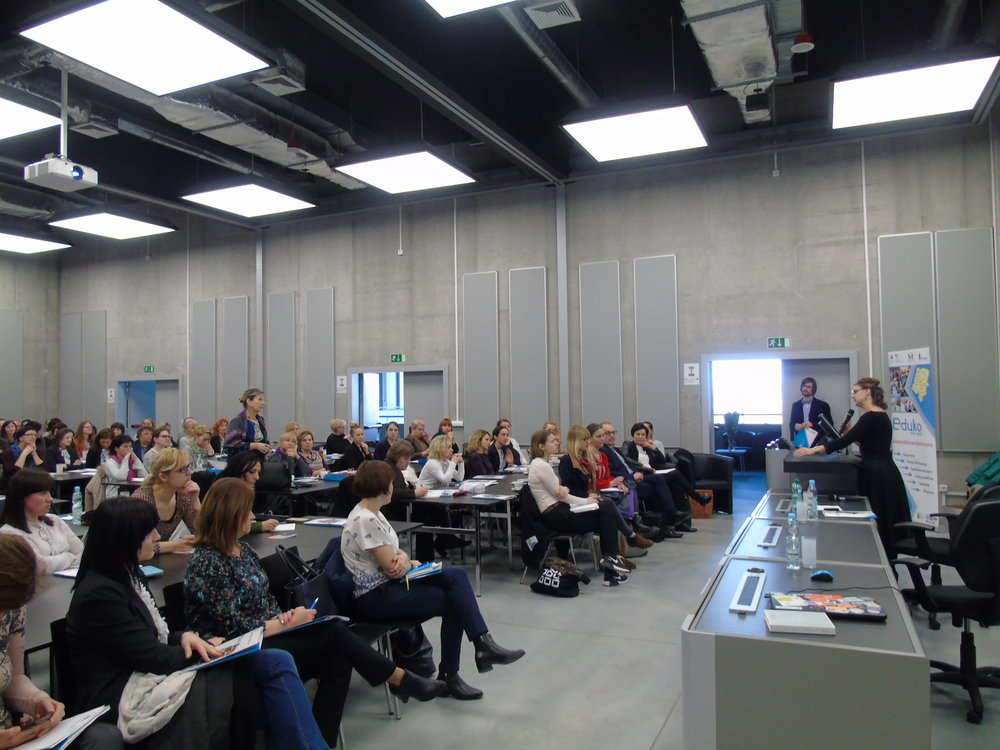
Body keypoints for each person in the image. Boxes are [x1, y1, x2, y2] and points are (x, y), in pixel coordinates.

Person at [184, 478, 445, 746]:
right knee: (332, 630)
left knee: (338, 661)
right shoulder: (207, 562)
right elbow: (232, 627)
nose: (253, 517)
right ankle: (398, 678)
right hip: (233, 651)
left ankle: (322, 741)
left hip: (265, 634)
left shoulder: (244, 550)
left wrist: (285, 615)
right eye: (247, 511)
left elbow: (265, 601)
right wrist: (285, 624)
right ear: (230, 514)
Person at [66, 498, 332, 750]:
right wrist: (200, 650)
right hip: (128, 692)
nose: (157, 537)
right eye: (149, 532)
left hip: (152, 673)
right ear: (127, 540)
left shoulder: (129, 577)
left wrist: (185, 637)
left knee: (274, 665)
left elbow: (153, 638)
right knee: (258, 679)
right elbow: (150, 656)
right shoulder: (99, 595)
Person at [342, 461, 524, 700]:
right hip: (376, 596)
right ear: (382, 486)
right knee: (455, 601)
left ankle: (479, 649)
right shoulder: (364, 519)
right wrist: (407, 561)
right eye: (391, 483)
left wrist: (404, 558)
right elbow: (393, 568)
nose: (393, 487)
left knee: (457, 579)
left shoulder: (374, 514)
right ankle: (464, 663)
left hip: (388, 586)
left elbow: (396, 553)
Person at [794, 377, 910, 550]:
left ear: (867, 392)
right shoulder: (878, 416)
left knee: (879, 514)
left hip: (878, 473)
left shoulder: (871, 417)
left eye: (855, 392)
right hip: (882, 469)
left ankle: (882, 554)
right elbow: (869, 446)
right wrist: (852, 434)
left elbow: (841, 443)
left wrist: (813, 450)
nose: (853, 395)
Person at [0, 535, 70, 748]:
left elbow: (14, 677)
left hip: (13, 737)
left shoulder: (12, 606)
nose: (3, 617)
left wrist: (37, 700)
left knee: (101, 736)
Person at [601, 422, 688, 536]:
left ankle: (670, 521)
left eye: (613, 432)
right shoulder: (604, 451)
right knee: (659, 489)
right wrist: (632, 476)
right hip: (626, 482)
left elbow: (628, 465)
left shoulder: (615, 449)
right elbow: (613, 471)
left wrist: (636, 472)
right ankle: (667, 523)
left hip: (635, 475)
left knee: (663, 482)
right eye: (608, 433)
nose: (612, 435)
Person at [624, 423, 708, 532]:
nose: (640, 437)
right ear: (633, 435)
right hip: (642, 474)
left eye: (643, 435)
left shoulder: (646, 448)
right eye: (637, 434)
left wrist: (653, 448)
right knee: (674, 474)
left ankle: (678, 522)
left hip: (652, 472)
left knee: (677, 486)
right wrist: (643, 467)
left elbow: (662, 460)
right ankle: (695, 500)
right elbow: (626, 458)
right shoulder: (628, 445)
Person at [0, 469, 83, 575]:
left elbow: (82, 552)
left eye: (49, 492)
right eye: (43, 493)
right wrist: (68, 557)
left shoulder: (55, 520)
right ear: (22, 497)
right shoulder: (9, 534)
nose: (50, 499)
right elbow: (38, 566)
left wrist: (54, 563)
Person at [131, 449, 199, 554]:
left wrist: (195, 502)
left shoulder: (182, 498)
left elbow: (201, 533)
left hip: (158, 559)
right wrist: (173, 545)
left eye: (189, 467)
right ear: (163, 476)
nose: (190, 472)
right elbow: (136, 547)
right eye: (182, 469)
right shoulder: (142, 500)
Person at [218, 452, 279, 532]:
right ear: (238, 470)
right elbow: (225, 525)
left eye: (258, 472)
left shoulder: (245, 492)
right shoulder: (224, 492)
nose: (257, 477)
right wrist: (258, 526)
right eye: (252, 471)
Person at [225, 388, 272, 457]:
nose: (263, 403)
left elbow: (264, 441)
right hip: (242, 461)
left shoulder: (260, 420)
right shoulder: (238, 421)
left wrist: (267, 448)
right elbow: (230, 445)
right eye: (260, 399)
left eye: (263, 400)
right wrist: (254, 445)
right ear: (249, 402)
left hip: (258, 460)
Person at [789, 377, 833, 446]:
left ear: (813, 389)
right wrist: (795, 426)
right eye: (803, 386)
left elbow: (829, 425)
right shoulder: (795, 405)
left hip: (818, 442)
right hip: (801, 442)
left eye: (808, 387)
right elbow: (791, 423)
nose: (805, 388)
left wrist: (812, 424)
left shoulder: (823, 405)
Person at [102, 435, 149, 499]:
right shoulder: (110, 462)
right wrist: (126, 459)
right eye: (125, 446)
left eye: (130, 446)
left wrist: (136, 459)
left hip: (135, 491)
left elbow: (145, 476)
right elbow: (121, 477)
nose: (129, 449)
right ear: (116, 449)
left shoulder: (132, 461)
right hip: (116, 493)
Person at [0, 425, 45, 492]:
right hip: (14, 486)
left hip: (34, 484)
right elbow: (13, 473)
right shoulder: (8, 452)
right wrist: (24, 453)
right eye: (29, 435)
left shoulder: (37, 451)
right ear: (20, 438)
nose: (33, 437)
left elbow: (43, 470)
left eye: (35, 435)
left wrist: (34, 454)